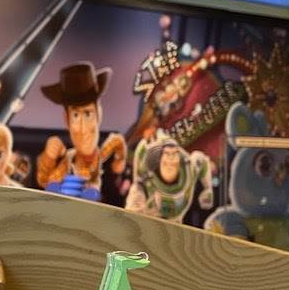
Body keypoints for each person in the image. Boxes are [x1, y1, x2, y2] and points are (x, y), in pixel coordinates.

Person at [36, 62, 127, 201]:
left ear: (99, 114)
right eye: (75, 116)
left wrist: (120, 159)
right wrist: (48, 158)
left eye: (88, 114)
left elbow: (117, 141)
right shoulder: (68, 159)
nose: (83, 129)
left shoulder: (105, 157)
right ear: (66, 119)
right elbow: (44, 181)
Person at [125, 130, 213, 223]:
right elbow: (138, 183)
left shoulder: (190, 169)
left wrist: (207, 189)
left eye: (174, 154)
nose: (171, 159)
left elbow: (201, 159)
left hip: (176, 222)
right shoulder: (144, 176)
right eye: (167, 154)